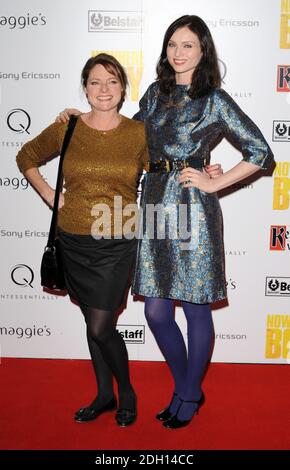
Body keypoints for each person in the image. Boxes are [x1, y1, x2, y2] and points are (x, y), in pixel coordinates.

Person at [55, 15, 273, 430]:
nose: (178, 52)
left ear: (203, 50)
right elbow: (126, 134)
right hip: (154, 201)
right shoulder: (155, 94)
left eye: (188, 45)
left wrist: (217, 181)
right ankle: (187, 386)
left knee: (194, 308)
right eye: (173, 44)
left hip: (192, 206)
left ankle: (187, 394)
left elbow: (260, 150)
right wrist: (81, 118)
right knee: (156, 312)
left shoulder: (214, 99)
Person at [16, 53, 148, 427]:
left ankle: (127, 391)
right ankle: (104, 394)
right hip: (73, 239)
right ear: (85, 88)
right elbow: (26, 154)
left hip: (117, 242)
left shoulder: (138, 133)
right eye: (95, 82)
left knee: (100, 327)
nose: (103, 89)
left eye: (111, 82)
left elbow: (162, 173)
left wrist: (205, 169)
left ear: (123, 89)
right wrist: (47, 192)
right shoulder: (68, 127)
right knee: (92, 319)